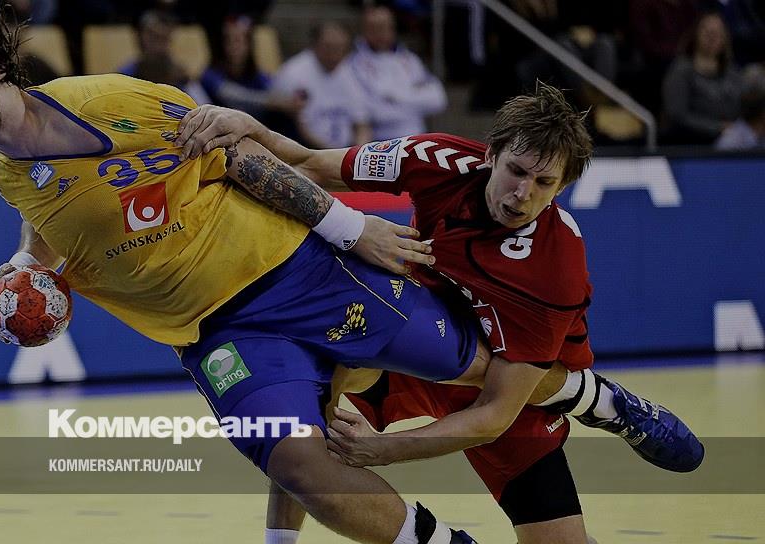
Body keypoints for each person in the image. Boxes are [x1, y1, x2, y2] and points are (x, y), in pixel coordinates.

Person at [174, 83, 704, 544]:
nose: (522, 194)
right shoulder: (436, 158)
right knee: (308, 424)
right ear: (491, 154)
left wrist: (385, 450)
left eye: (544, 184)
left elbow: (495, 413)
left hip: (505, 377)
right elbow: (311, 164)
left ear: (562, 188)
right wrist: (250, 126)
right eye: (516, 171)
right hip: (411, 331)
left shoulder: (554, 270)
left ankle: (593, 397)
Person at [347, 5, 447, 141]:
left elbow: (438, 99)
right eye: (375, 28)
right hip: (379, 141)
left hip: (416, 139)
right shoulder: (353, 64)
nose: (381, 33)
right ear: (365, 30)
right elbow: (374, 112)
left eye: (385, 27)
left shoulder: (410, 59)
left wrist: (395, 96)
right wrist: (413, 96)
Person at [271, 22, 372, 149]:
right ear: (314, 45)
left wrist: (359, 152)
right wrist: (330, 155)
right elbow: (298, 128)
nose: (335, 53)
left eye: (341, 48)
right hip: (303, 149)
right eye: (329, 47)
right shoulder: (292, 73)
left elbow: (362, 124)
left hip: (345, 151)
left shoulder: (351, 72)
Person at [661, 11, 742, 145]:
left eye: (717, 32)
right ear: (695, 34)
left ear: (725, 38)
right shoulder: (681, 70)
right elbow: (676, 116)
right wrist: (717, 127)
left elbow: (744, 106)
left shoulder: (732, 71)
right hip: (691, 144)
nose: (712, 37)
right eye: (707, 31)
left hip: (732, 142)